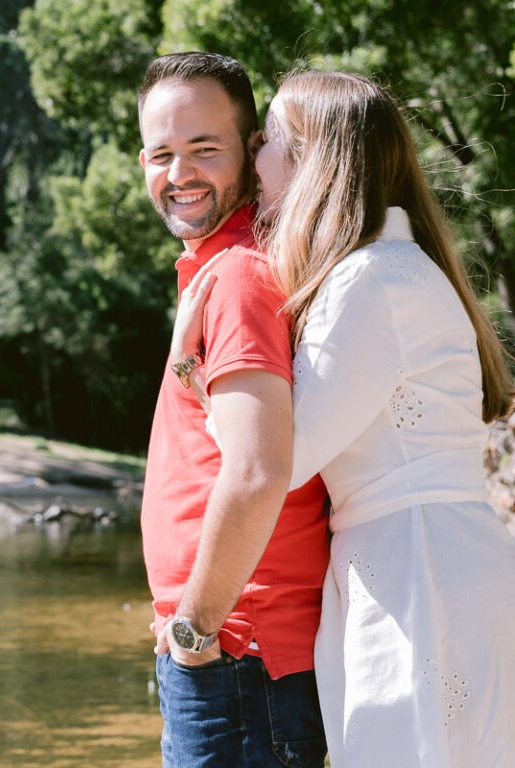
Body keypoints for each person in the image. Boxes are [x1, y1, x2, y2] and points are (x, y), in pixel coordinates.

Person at [171, 70, 515, 767]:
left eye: (267, 139)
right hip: (427, 555)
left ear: (310, 160)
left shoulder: (370, 278)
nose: (256, 155)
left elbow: (282, 454)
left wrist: (190, 355)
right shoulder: (393, 268)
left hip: (414, 567)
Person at [136, 52, 330, 768]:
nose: (179, 172)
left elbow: (256, 471)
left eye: (204, 149)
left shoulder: (242, 275)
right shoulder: (220, 268)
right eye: (162, 152)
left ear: (253, 153)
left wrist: (194, 628)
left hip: (238, 655)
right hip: (234, 655)